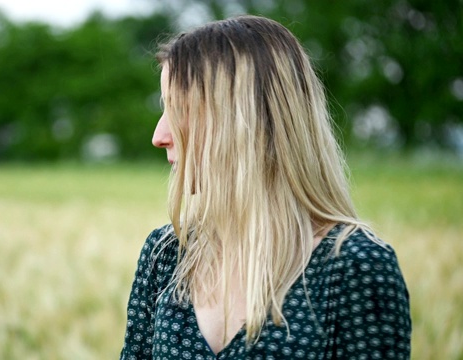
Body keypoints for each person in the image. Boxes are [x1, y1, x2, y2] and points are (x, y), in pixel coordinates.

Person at [119, 15, 411, 360]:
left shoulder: (355, 268)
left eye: (179, 108)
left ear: (248, 120)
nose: (159, 136)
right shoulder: (166, 255)